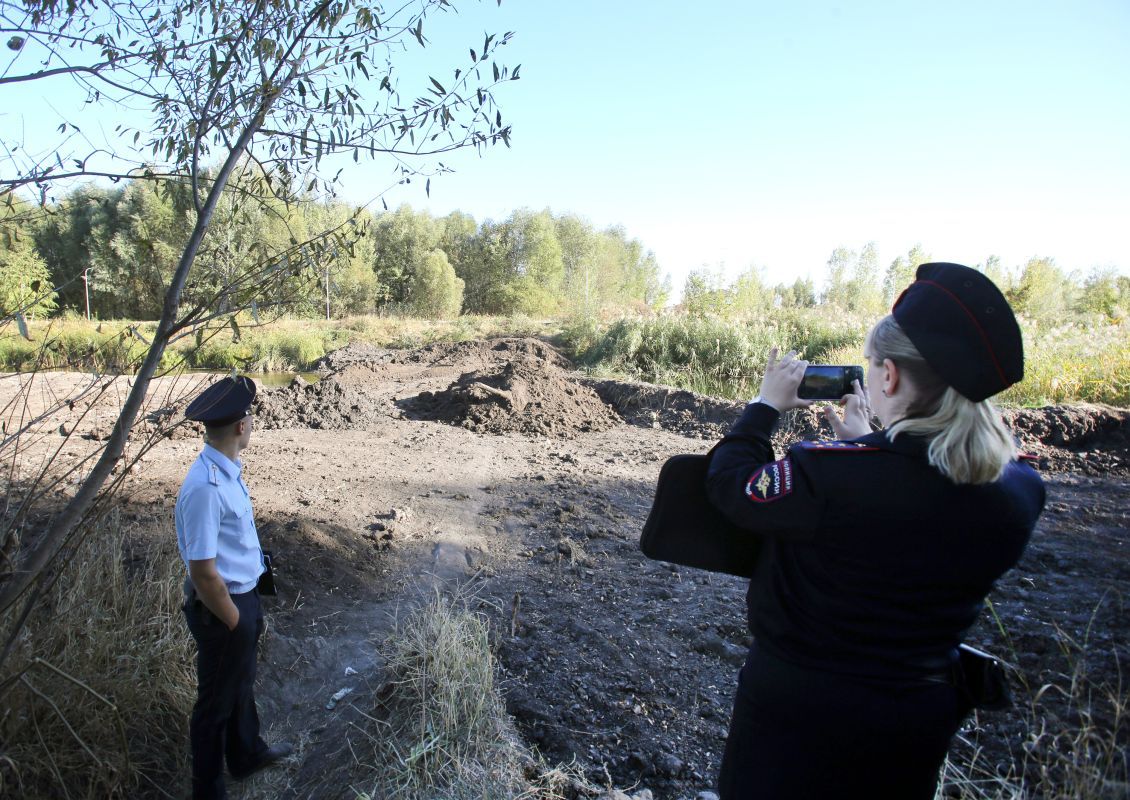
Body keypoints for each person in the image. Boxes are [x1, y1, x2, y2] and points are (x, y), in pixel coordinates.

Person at [704, 263, 1046, 799]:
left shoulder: (829, 473)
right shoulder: (1020, 491)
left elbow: (732, 486)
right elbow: (913, 488)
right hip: (917, 714)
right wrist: (867, 441)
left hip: (798, 712)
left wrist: (764, 407)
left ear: (888, 377)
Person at [175, 376, 290, 799]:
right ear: (241, 427)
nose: (252, 422)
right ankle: (207, 790)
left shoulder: (224, 470)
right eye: (251, 418)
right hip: (221, 607)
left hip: (240, 597)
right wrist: (234, 619)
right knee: (214, 705)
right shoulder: (206, 487)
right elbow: (203, 572)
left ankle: (246, 755)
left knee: (240, 682)